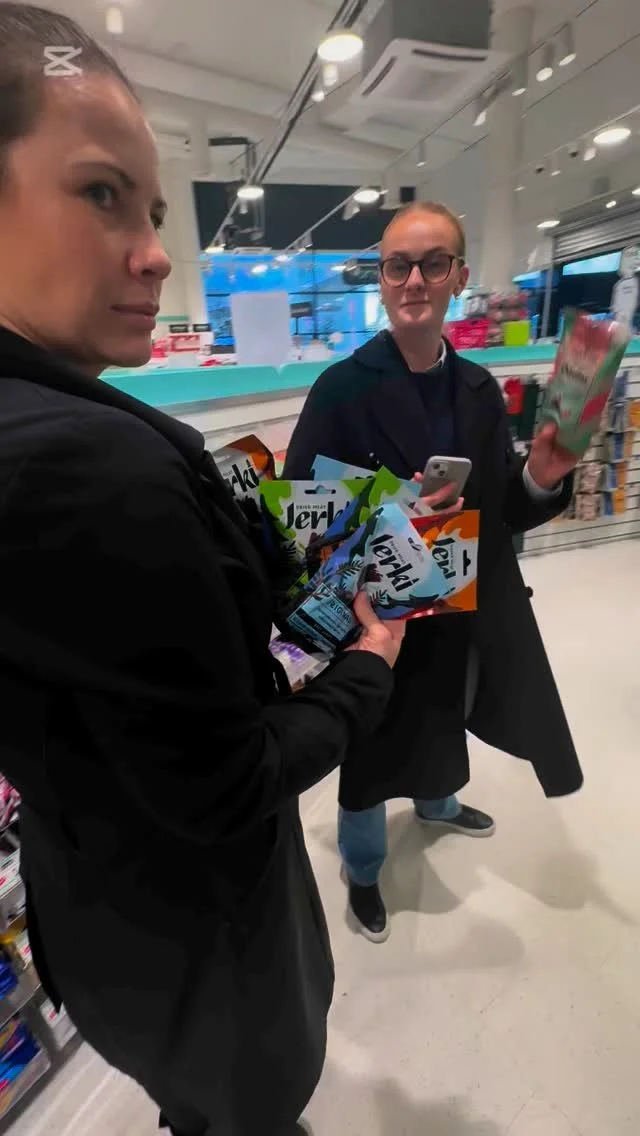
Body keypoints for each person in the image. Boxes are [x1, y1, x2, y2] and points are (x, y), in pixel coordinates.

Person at [0, 6, 406, 1135]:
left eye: (150, 208)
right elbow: (226, 784)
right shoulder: (86, 465)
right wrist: (369, 664)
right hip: (205, 949)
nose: (155, 250)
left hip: (105, 912)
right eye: (100, 193)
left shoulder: (63, 424)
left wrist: (266, 547)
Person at [284, 202, 584, 943]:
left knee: (445, 716)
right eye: (398, 266)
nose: (414, 279)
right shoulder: (341, 388)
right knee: (372, 740)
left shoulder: (478, 389)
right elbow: (300, 518)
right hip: (378, 615)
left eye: (432, 263)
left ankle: (438, 804)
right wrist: (396, 507)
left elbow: (502, 508)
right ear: (383, 279)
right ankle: (363, 869)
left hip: (456, 602)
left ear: (459, 276)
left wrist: (543, 476)